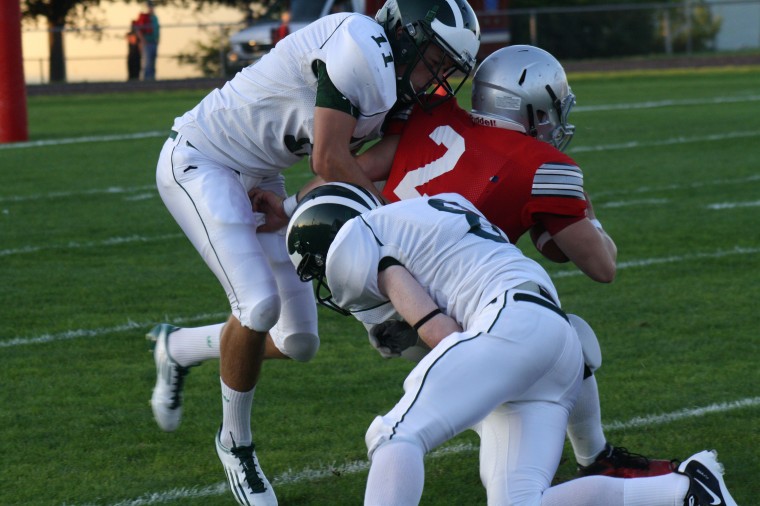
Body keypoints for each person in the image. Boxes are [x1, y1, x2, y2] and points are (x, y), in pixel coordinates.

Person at [149, 1, 480, 505]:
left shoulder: (396, 81)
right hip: (203, 160)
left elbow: (356, 165)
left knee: (298, 341)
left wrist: (289, 206)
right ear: (406, 36)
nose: (438, 77)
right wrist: (388, 222)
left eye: (447, 67)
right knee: (257, 305)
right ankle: (235, 443)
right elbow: (328, 157)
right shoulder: (361, 44)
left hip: (262, 175)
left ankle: (177, 348)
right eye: (435, 60)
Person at [282, 182, 738, 506]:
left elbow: (444, 335)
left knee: (395, 434)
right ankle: (685, 491)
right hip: (550, 340)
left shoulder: (356, 238)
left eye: (321, 270)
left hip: (510, 327)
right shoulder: (436, 207)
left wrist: (416, 333)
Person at [354, 44, 676, 485]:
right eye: (549, 111)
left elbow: (365, 170)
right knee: (566, 339)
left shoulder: (432, 115)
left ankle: (574, 454)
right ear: (529, 108)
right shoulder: (542, 165)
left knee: (541, 352)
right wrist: (584, 207)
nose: (554, 122)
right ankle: (596, 459)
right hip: (444, 310)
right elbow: (603, 266)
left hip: (380, 291)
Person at [135, 0, 159, 80]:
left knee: (153, 62)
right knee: (147, 62)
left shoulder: (155, 18)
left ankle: (152, 79)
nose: (151, 8)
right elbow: (138, 29)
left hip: (154, 42)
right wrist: (142, 40)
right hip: (147, 43)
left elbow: (157, 29)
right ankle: (146, 81)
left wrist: (158, 39)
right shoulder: (143, 17)